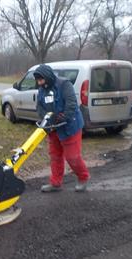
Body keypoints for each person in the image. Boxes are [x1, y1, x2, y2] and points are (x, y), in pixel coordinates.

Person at [33, 64, 90, 192]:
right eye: (38, 80)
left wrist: (63, 117)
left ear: (47, 77)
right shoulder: (42, 88)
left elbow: (71, 104)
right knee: (55, 156)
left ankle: (83, 177)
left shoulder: (64, 85)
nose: (39, 83)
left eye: (41, 79)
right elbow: (40, 106)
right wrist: (46, 118)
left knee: (72, 157)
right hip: (53, 127)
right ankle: (55, 183)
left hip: (70, 126)